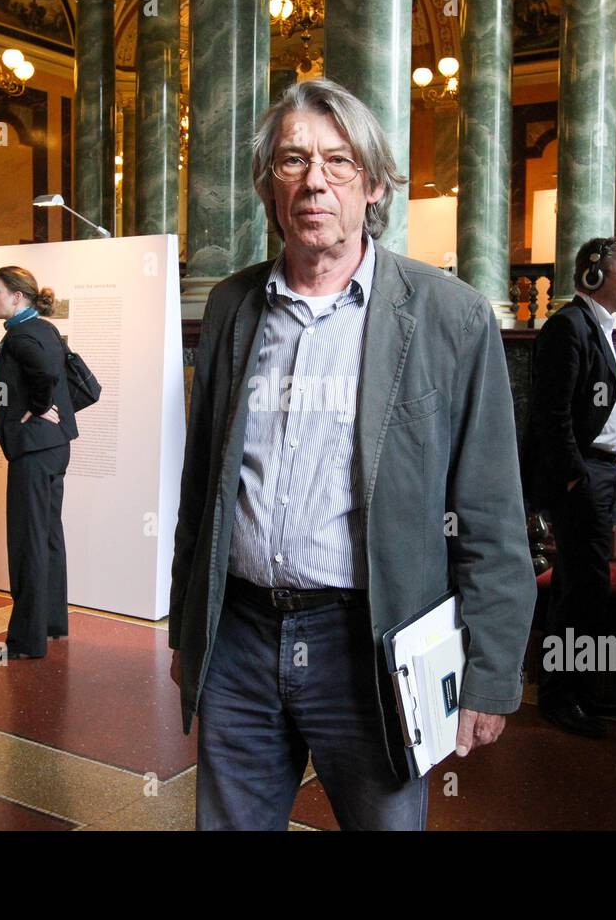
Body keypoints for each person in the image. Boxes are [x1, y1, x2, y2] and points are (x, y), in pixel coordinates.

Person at [168, 78, 536, 831]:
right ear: (269, 184)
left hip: (369, 645)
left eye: (338, 162)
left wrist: (490, 674)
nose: (314, 181)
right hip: (238, 639)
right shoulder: (234, 306)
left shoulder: (449, 316)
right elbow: (201, 487)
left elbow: (493, 514)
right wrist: (187, 631)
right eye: (294, 160)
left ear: (372, 185)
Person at [520, 237, 616, 739]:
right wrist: (574, 475)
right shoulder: (568, 326)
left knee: (582, 585)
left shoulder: (599, 327)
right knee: (581, 589)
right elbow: (550, 412)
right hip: (584, 475)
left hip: (598, 473)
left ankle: (579, 691)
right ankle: (560, 695)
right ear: (593, 276)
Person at [0, 266, 78, 659]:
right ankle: (51, 622)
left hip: (35, 450)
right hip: (54, 447)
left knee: (28, 540)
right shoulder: (43, 329)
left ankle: (26, 640)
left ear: (17, 297)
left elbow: (44, 373)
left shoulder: (22, 335)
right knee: (48, 535)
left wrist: (37, 408)